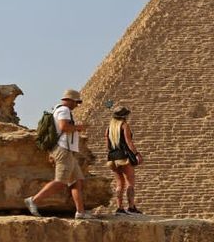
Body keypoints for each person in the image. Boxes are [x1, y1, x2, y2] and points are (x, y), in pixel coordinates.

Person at [25, 89, 91, 219]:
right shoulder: (64, 110)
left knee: (77, 181)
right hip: (63, 149)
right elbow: (64, 127)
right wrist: (79, 127)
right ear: (70, 100)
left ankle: (80, 212)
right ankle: (33, 200)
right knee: (61, 181)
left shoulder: (58, 110)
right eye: (76, 102)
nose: (77, 105)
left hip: (67, 150)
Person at [105, 106, 143, 214]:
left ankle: (119, 207)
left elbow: (107, 145)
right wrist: (137, 154)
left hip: (112, 158)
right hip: (124, 157)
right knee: (130, 183)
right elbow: (129, 142)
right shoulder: (124, 126)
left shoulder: (109, 128)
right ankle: (131, 207)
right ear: (124, 116)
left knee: (119, 184)